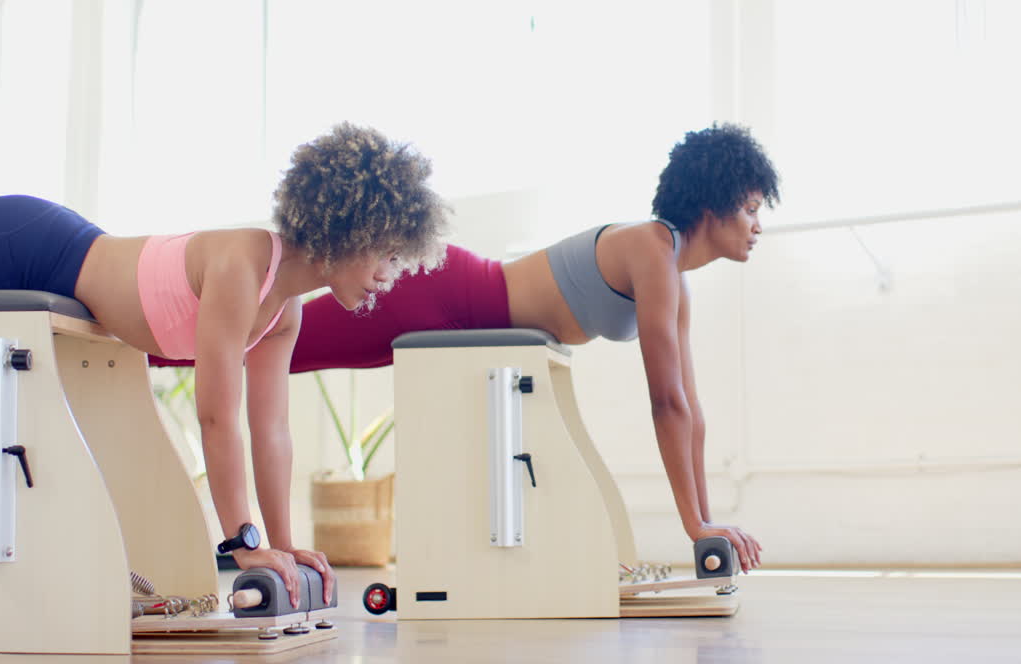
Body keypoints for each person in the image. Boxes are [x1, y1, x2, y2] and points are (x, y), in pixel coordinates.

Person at [0, 122, 449, 605]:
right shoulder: (241, 266)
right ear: (345, 230)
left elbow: (271, 430)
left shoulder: (285, 310)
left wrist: (284, 543)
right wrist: (242, 540)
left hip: (54, 262)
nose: (388, 275)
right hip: (29, 243)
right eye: (383, 253)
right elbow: (216, 418)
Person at [286, 122, 776, 571]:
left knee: (276, 349)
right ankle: (216, 317)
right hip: (441, 291)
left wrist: (706, 522)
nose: (758, 226)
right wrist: (695, 525)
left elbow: (689, 410)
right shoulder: (651, 248)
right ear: (713, 207)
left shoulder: (673, 279)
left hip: (464, 315)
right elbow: (665, 402)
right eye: (751, 210)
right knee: (275, 339)